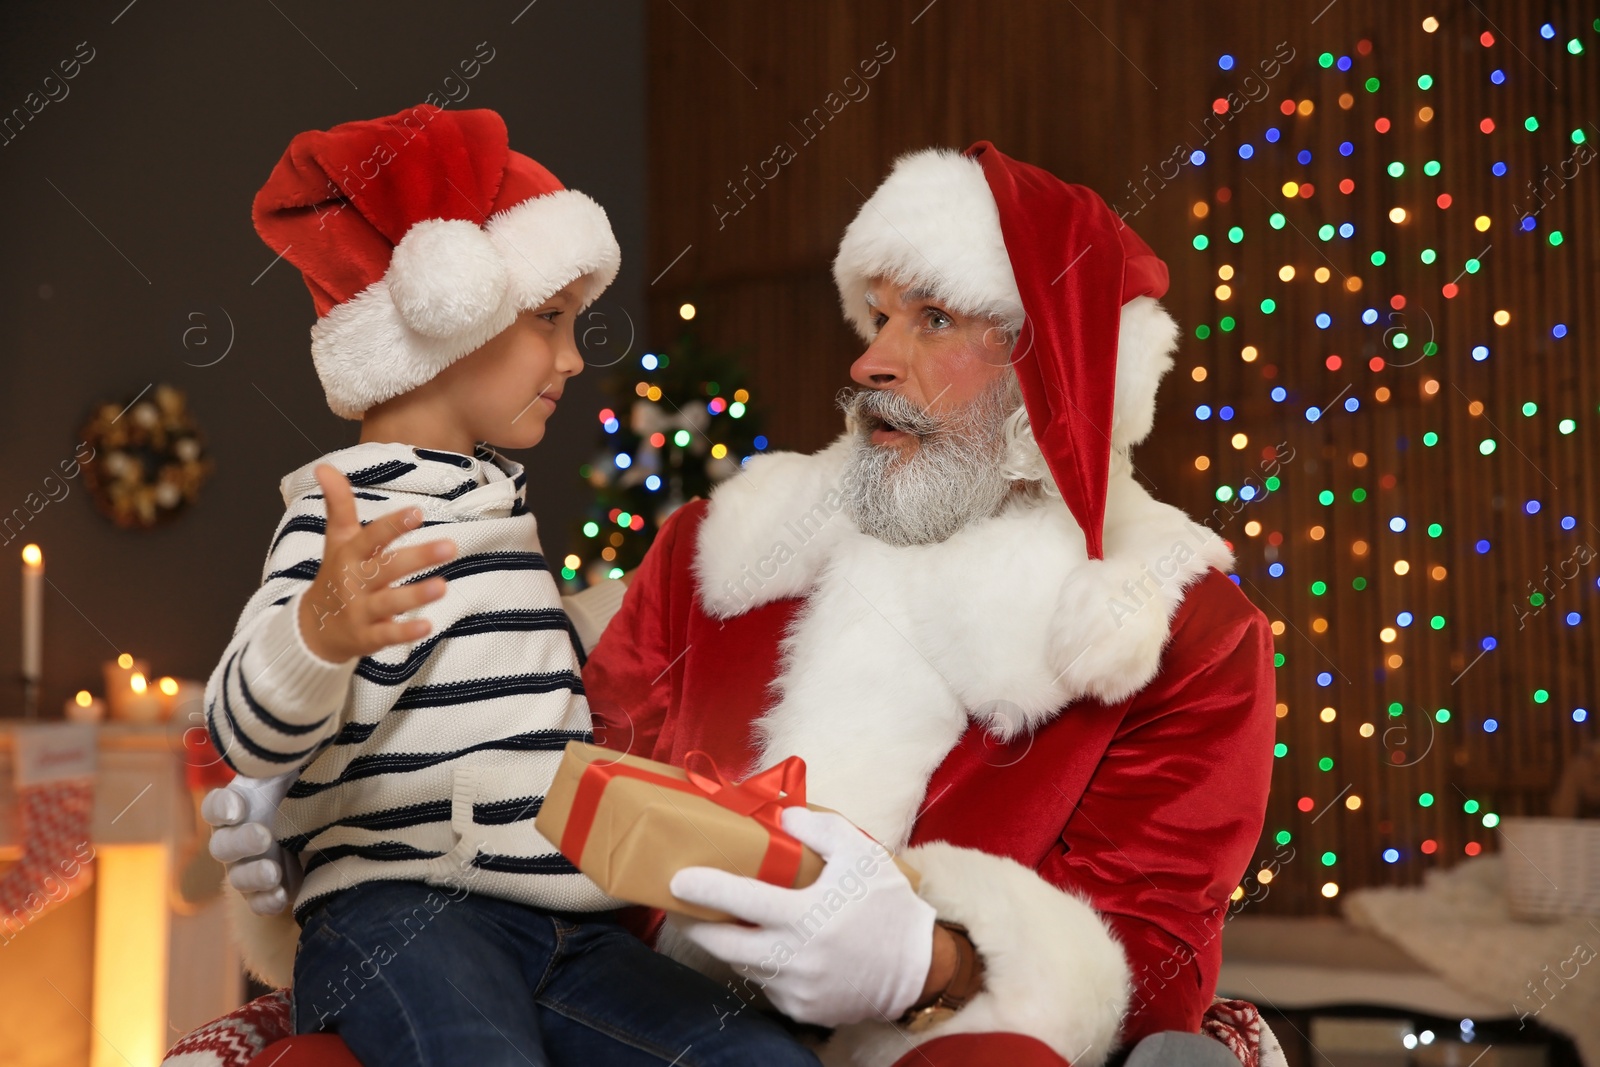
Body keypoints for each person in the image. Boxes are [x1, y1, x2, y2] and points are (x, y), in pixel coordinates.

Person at [207, 141, 1277, 1067]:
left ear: (1051, 368)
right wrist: (322, 813)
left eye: (932, 318)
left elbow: (1153, 960)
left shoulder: (1178, 624)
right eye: (879, 315)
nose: (870, 359)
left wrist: (932, 959)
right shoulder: (725, 550)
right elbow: (557, 785)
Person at [203, 104, 818, 1067]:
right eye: (550, 320)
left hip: (567, 923)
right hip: (398, 913)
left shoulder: (499, 514)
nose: (574, 357)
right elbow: (244, 727)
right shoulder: (346, 517)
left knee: (764, 1058)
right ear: (448, 305)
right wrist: (316, 634)